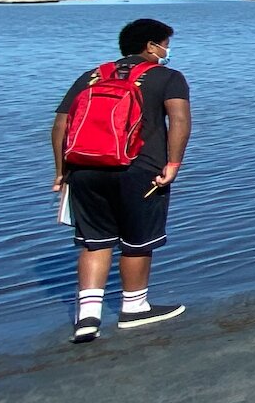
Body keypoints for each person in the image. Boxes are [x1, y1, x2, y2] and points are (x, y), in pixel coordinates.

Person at [52, 18, 191, 343]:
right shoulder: (168, 77)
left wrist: (61, 171)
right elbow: (180, 119)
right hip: (139, 169)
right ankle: (134, 308)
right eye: (165, 43)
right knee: (137, 241)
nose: (167, 50)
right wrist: (173, 164)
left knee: (94, 241)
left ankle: (87, 318)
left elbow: (61, 125)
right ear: (151, 46)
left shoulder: (91, 76)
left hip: (84, 168)